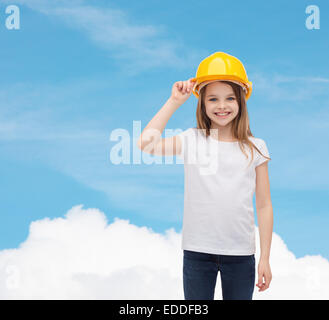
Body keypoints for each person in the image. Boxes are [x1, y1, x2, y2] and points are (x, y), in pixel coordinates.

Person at [137, 52, 273, 300]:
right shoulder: (192, 140)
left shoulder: (257, 147)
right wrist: (174, 102)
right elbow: (146, 144)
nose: (222, 106)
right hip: (197, 252)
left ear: (241, 101)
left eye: (230, 98)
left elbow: (264, 205)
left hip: (242, 254)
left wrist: (265, 257)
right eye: (213, 99)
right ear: (202, 103)